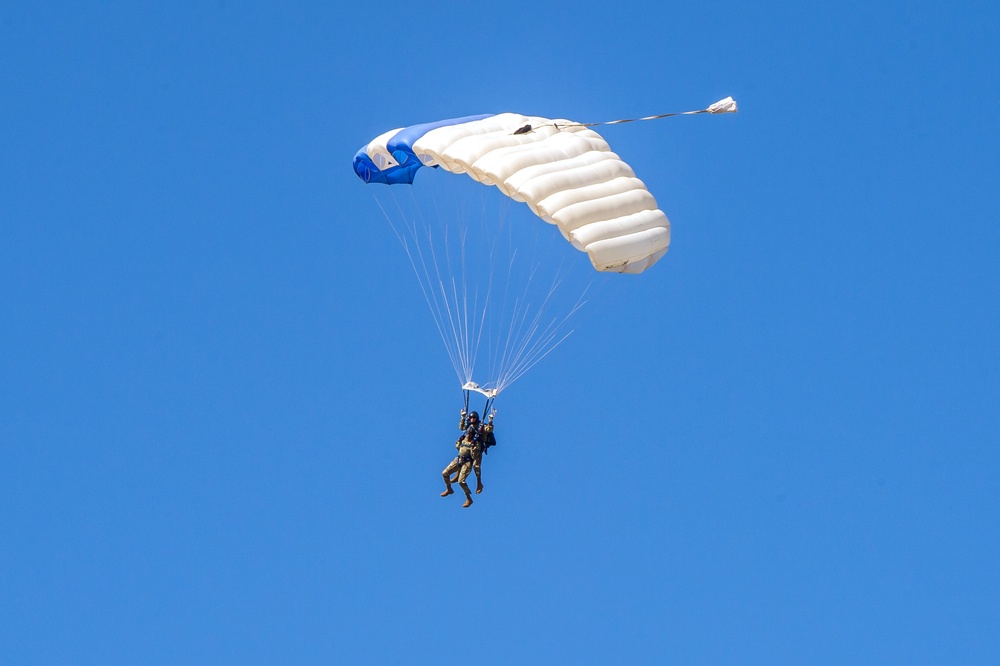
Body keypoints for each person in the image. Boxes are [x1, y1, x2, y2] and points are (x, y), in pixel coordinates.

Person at [441, 409, 495, 507]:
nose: (472, 419)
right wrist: (462, 417)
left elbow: (489, 430)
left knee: (476, 466)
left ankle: (479, 483)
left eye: (474, 418)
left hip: (475, 451)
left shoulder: (480, 427)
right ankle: (449, 487)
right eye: (471, 418)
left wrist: (490, 420)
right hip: (460, 457)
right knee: (445, 473)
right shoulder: (467, 428)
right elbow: (461, 428)